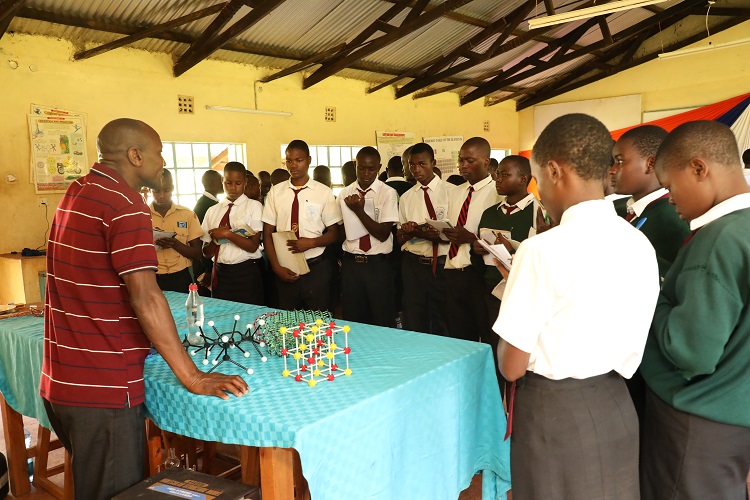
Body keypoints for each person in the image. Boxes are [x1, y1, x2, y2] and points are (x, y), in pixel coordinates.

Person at [41, 118, 248, 500]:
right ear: (135, 155)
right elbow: (146, 297)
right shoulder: (125, 205)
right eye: (158, 153)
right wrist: (193, 376)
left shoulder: (78, 191)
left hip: (62, 380)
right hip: (102, 387)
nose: (162, 163)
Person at [493, 113, 659, 499]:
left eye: (536, 178)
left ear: (553, 170)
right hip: (616, 405)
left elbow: (512, 365)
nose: (540, 191)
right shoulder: (637, 242)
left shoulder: (540, 250)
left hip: (555, 415)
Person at [640, 120, 750, 499]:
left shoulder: (719, 238)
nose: (669, 198)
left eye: (670, 186)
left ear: (699, 168)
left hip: (698, 421)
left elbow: (693, 352)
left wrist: (654, 299)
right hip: (737, 412)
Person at [473, 156, 536, 381]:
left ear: (523, 179)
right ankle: (498, 401)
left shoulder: (538, 212)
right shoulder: (490, 212)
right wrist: (478, 248)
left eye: (504, 174)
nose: (497, 178)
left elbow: (539, 259)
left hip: (521, 296)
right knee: (493, 351)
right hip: (491, 292)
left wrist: (512, 251)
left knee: (518, 359)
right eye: (497, 173)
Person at [262, 140, 342, 311]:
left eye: (299, 160)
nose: (293, 165)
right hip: (286, 269)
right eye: (289, 161)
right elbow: (267, 232)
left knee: (317, 322)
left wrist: (312, 242)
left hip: (316, 268)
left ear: (309, 160)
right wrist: (276, 268)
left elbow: (335, 233)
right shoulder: (276, 192)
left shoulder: (323, 192)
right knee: (289, 322)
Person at [610, 125, 690, 282]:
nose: (612, 170)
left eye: (620, 161)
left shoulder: (673, 218)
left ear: (651, 164)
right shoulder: (616, 209)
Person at [442, 137, 499, 342]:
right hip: (452, 269)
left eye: (470, 160)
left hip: (478, 274)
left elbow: (498, 240)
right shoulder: (456, 192)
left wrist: (470, 237)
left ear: (486, 162)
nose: (463, 165)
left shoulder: (497, 193)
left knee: (485, 333)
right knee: (459, 335)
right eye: (460, 160)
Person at [338, 147, 399, 326]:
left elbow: (382, 234)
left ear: (379, 168)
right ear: (356, 166)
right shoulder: (344, 193)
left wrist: (358, 211)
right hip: (352, 265)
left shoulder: (387, 193)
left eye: (371, 169)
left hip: (378, 265)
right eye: (361, 168)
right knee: (354, 320)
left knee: (382, 319)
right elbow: (340, 232)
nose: (366, 173)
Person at [397, 143, 452, 335]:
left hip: (442, 264)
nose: (416, 169)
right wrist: (408, 231)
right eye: (412, 165)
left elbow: (454, 232)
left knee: (443, 318)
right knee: (414, 318)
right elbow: (399, 237)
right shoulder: (406, 197)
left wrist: (424, 232)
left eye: (422, 164)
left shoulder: (451, 191)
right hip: (414, 265)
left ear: (433, 163)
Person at [201, 161, 264, 305]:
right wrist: (215, 239)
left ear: (245, 182)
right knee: (223, 316)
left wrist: (228, 234)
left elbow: (253, 246)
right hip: (221, 273)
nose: (233, 188)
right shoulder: (212, 211)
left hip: (246, 271)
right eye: (228, 183)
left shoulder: (253, 206)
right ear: (222, 181)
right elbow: (205, 252)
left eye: (238, 183)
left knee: (249, 316)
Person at [150, 169, 204, 293]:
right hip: (152, 277)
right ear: (149, 189)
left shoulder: (187, 215)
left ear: (173, 188)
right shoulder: (141, 215)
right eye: (156, 190)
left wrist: (175, 244)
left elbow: (197, 253)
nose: (161, 195)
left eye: (167, 190)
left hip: (181, 277)